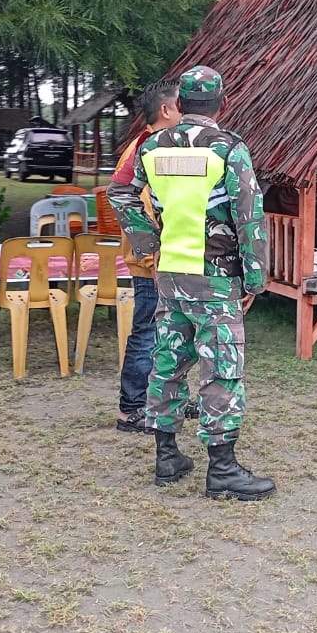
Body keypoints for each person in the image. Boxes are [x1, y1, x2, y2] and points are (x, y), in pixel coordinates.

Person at [114, 65, 275, 500]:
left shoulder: (151, 149)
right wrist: (255, 279)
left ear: (180, 105)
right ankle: (222, 469)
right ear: (222, 103)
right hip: (216, 277)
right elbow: (249, 217)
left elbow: (120, 192)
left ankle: (167, 458)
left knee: (168, 363)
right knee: (221, 369)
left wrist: (146, 242)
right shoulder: (229, 149)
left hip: (169, 276)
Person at [108, 78, 178, 434]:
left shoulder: (152, 145)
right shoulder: (148, 148)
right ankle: (131, 408)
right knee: (147, 332)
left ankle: (163, 400)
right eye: (183, 105)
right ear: (166, 110)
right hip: (152, 263)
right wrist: (153, 258)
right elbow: (139, 205)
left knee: (165, 333)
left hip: (156, 260)